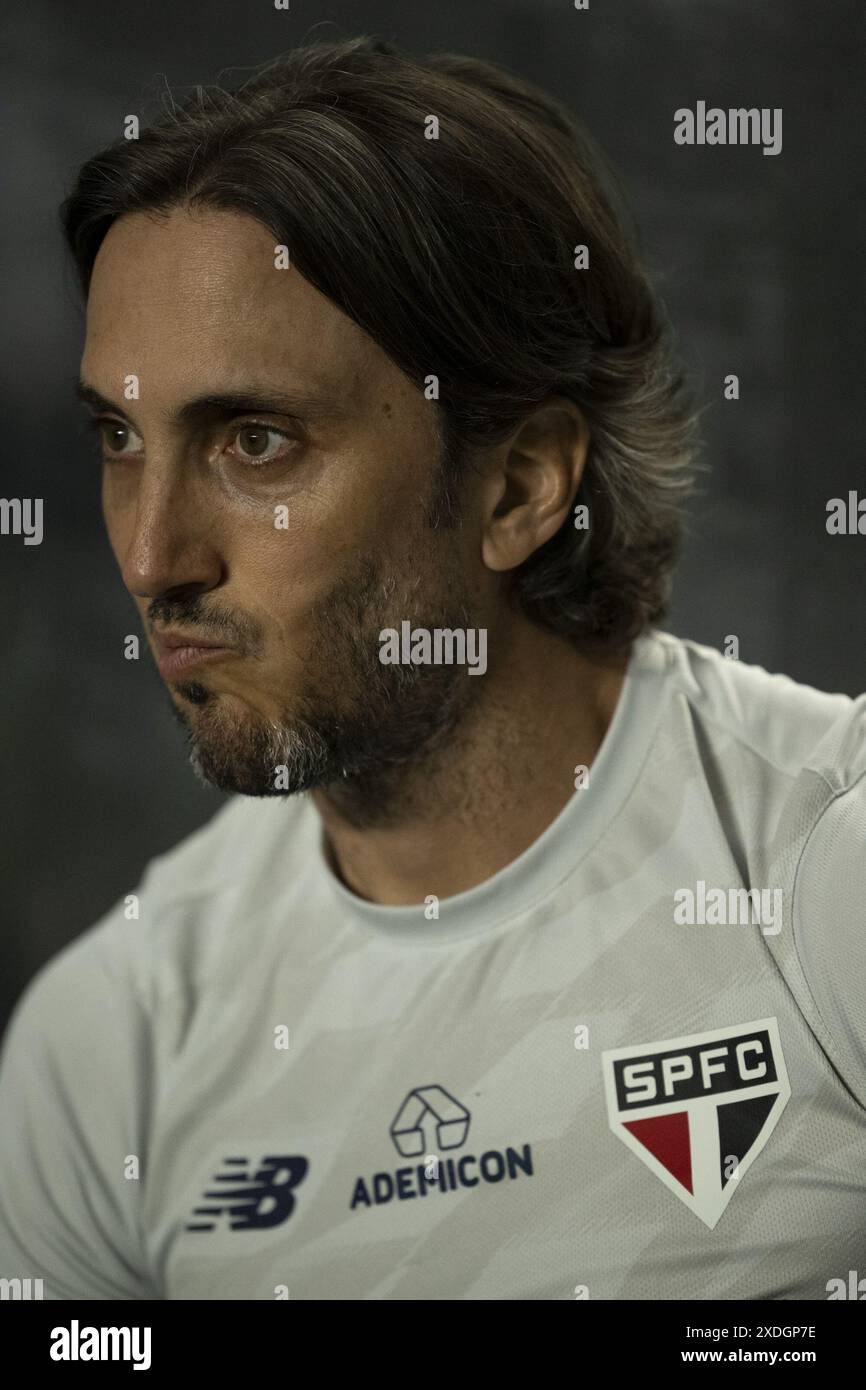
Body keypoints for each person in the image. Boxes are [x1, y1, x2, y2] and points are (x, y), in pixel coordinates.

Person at [1, 35, 864, 1301]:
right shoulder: (106, 1049)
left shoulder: (823, 876)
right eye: (119, 437)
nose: (148, 555)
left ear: (516, 486)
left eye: (254, 441)